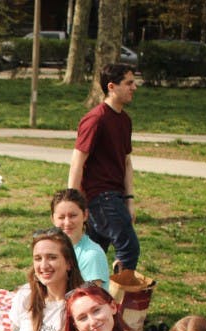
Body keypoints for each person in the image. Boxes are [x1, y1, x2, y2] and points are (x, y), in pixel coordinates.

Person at [68, 63, 139, 271]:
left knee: (90, 254)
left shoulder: (125, 120)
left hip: (116, 196)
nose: (134, 87)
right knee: (129, 248)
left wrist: (129, 199)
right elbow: (77, 162)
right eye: (129, 83)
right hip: (100, 196)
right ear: (111, 86)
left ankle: (80, 297)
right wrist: (72, 202)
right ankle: (119, 303)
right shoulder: (95, 119)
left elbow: (126, 162)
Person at [50, 188, 109, 289]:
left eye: (73, 216)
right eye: (61, 217)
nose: (67, 222)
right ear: (53, 219)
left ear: (85, 215)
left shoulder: (92, 255)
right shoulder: (49, 249)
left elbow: (90, 299)